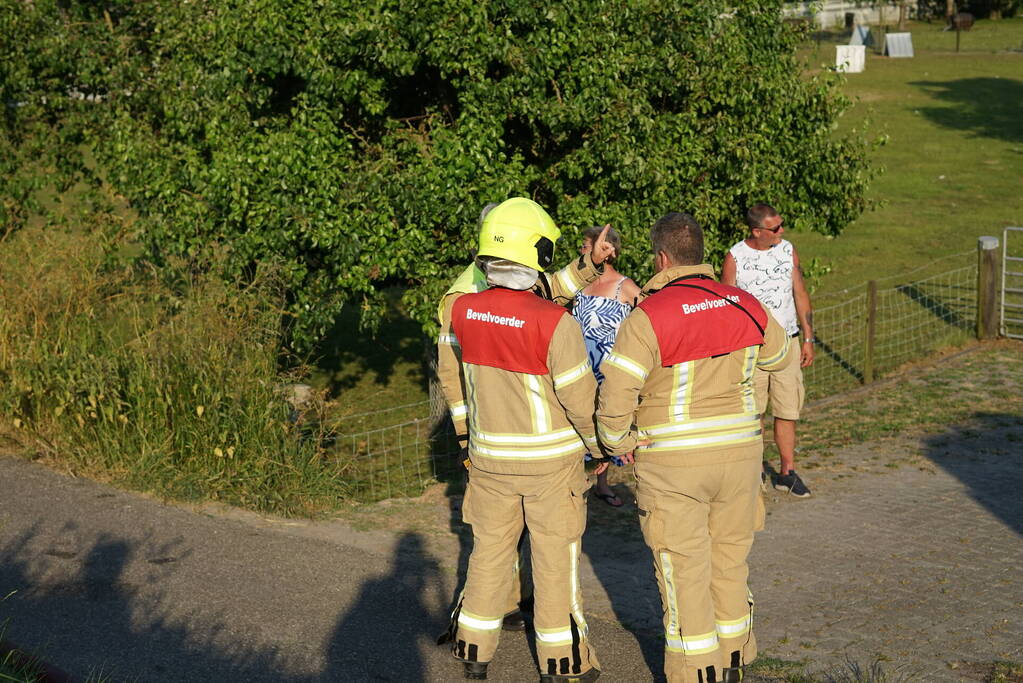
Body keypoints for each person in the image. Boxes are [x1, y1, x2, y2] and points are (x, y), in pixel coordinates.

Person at [596, 212, 792, 683]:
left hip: (674, 465)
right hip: (741, 458)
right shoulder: (744, 303)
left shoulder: (647, 317)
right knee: (729, 564)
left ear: (662, 257)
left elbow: (617, 394)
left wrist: (617, 442)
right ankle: (736, 662)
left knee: (683, 573)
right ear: (701, 253)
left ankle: (694, 671)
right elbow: (779, 357)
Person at [440, 197, 603, 682]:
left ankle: (473, 652)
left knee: (489, 554)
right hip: (551, 468)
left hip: (488, 461)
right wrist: (603, 448)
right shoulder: (555, 322)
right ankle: (563, 664)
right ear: (537, 255)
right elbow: (580, 402)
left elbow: (454, 384)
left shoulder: (461, 311)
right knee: (555, 562)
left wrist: (469, 441)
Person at [721, 204, 815, 498]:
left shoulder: (788, 250)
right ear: (757, 231)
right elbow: (727, 306)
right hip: (752, 348)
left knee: (788, 409)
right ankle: (755, 470)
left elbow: (799, 292)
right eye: (775, 228)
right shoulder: (735, 257)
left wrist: (809, 337)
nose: (782, 232)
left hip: (788, 343)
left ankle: (787, 471)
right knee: (754, 412)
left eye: (781, 225)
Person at [571, 226, 641, 508]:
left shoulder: (624, 286)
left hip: (608, 368)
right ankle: (576, 482)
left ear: (607, 251)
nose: (581, 252)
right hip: (577, 366)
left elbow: (650, 319)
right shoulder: (578, 283)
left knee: (606, 419)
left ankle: (603, 483)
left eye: (585, 246)